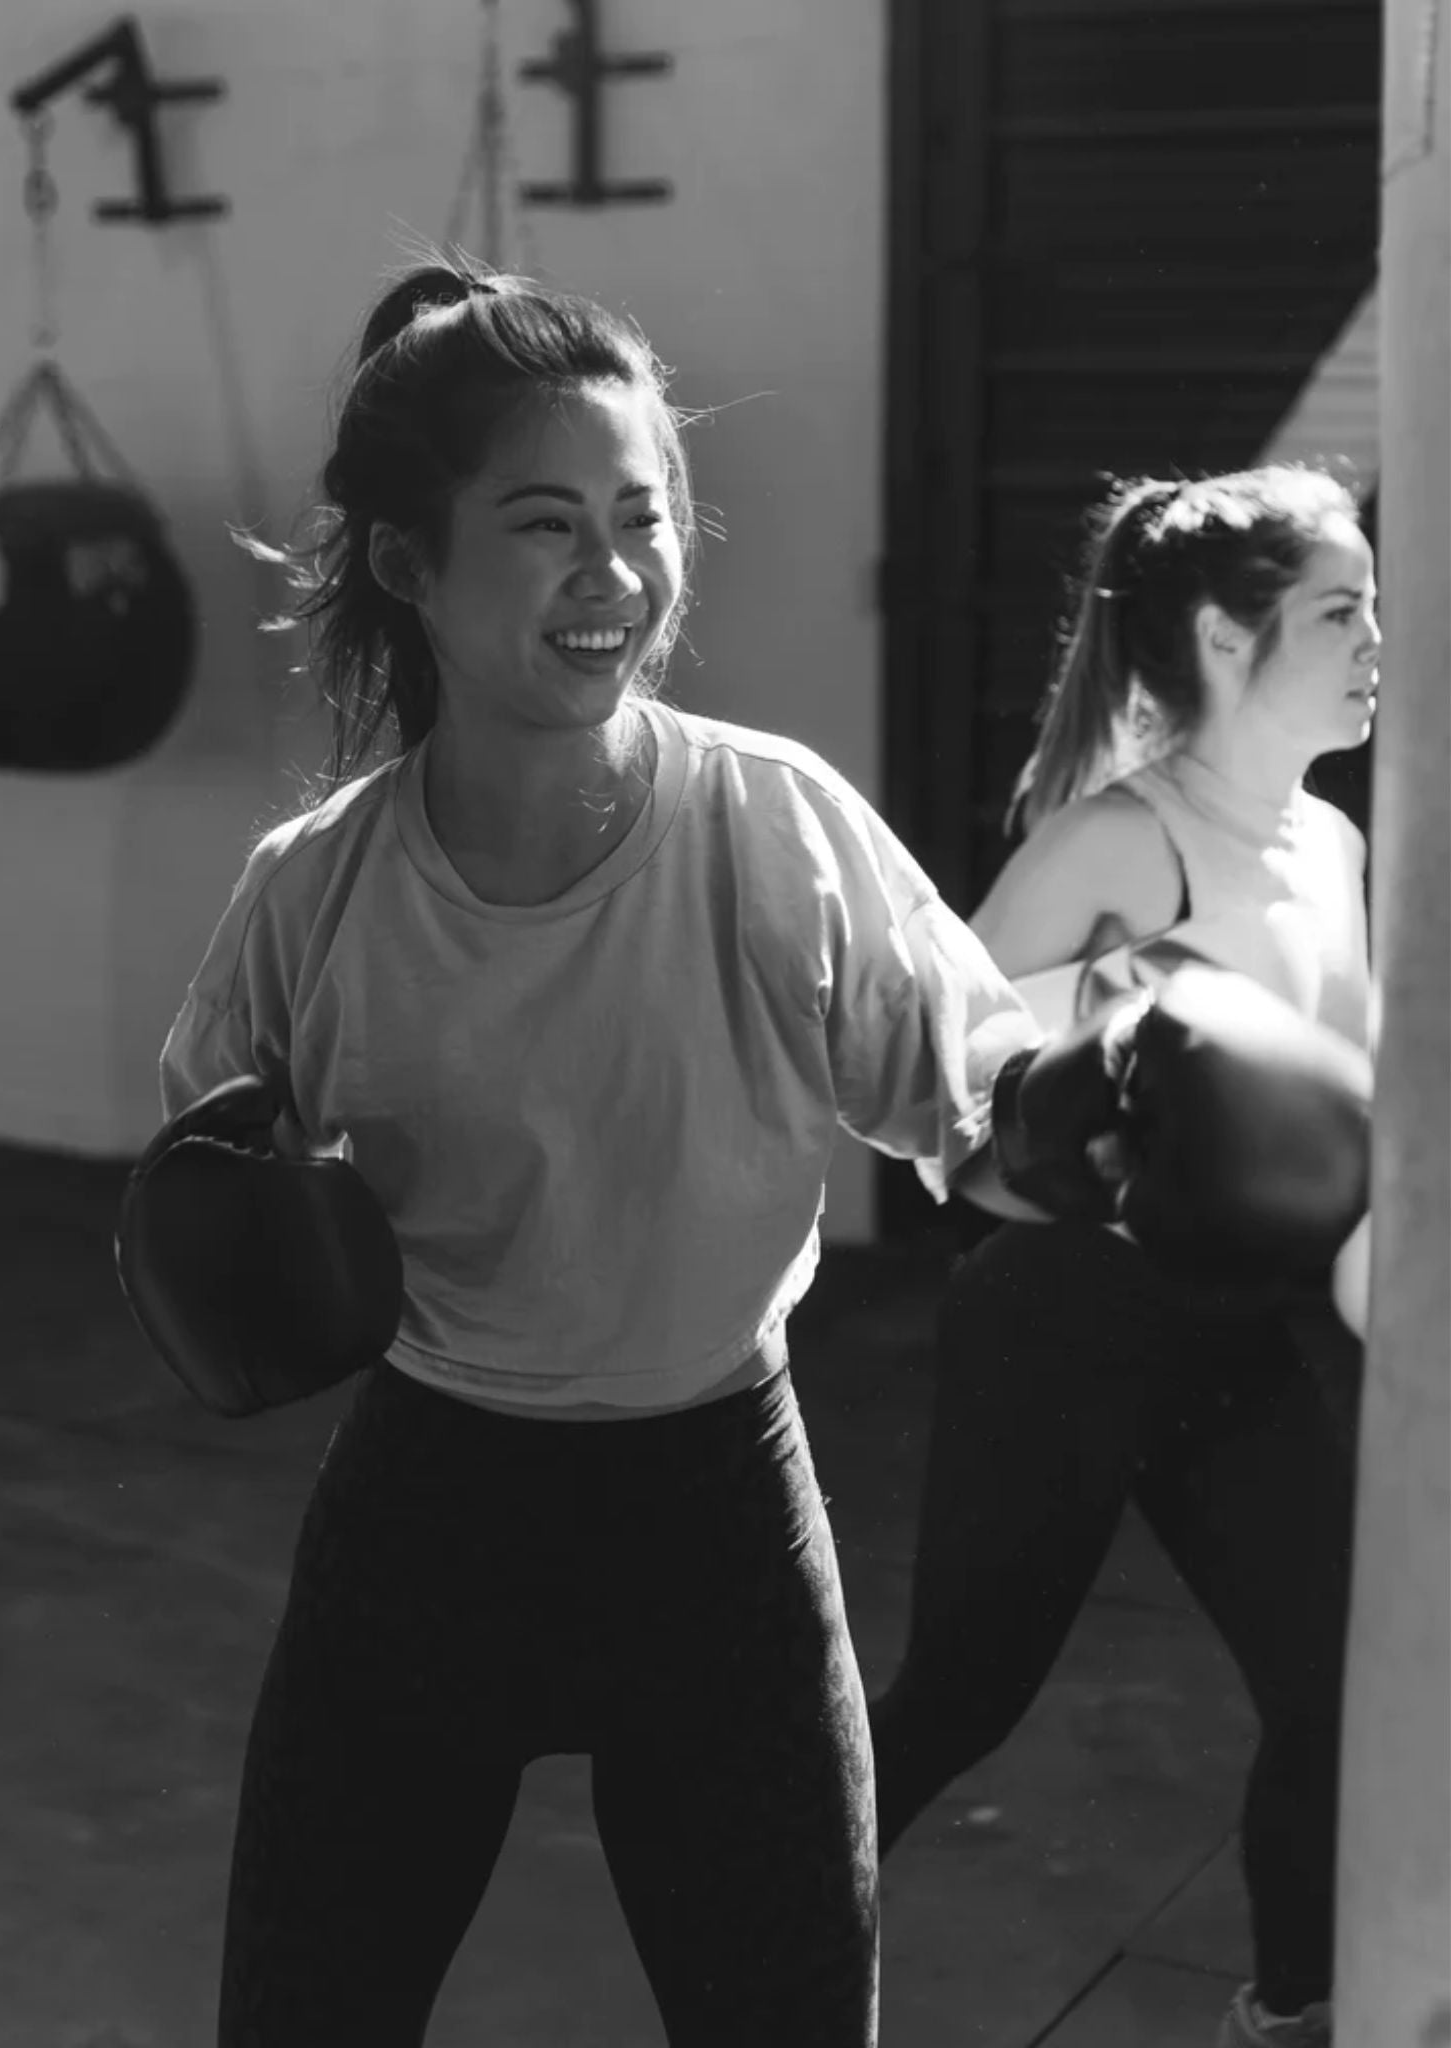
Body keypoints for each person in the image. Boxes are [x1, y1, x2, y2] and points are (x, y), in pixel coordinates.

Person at [157, 255, 1047, 2047]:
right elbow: (194, 1182)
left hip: (717, 1510)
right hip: (429, 1515)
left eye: (645, 521)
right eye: (548, 525)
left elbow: (977, 1088)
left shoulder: (773, 826)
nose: (616, 577)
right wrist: (232, 1239)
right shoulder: (315, 892)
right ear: (411, 565)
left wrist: (1092, 1120)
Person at [870, 465, 1380, 2048]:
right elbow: (942, 1106)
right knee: (964, 1693)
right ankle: (746, 1927)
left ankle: (1290, 2013)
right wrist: (1102, 1143)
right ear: (1228, 639)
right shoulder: (1113, 844)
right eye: (1341, 610)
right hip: (1071, 1325)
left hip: (1248, 1334)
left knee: (1341, 1700)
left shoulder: (1332, 845)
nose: (1382, 640)